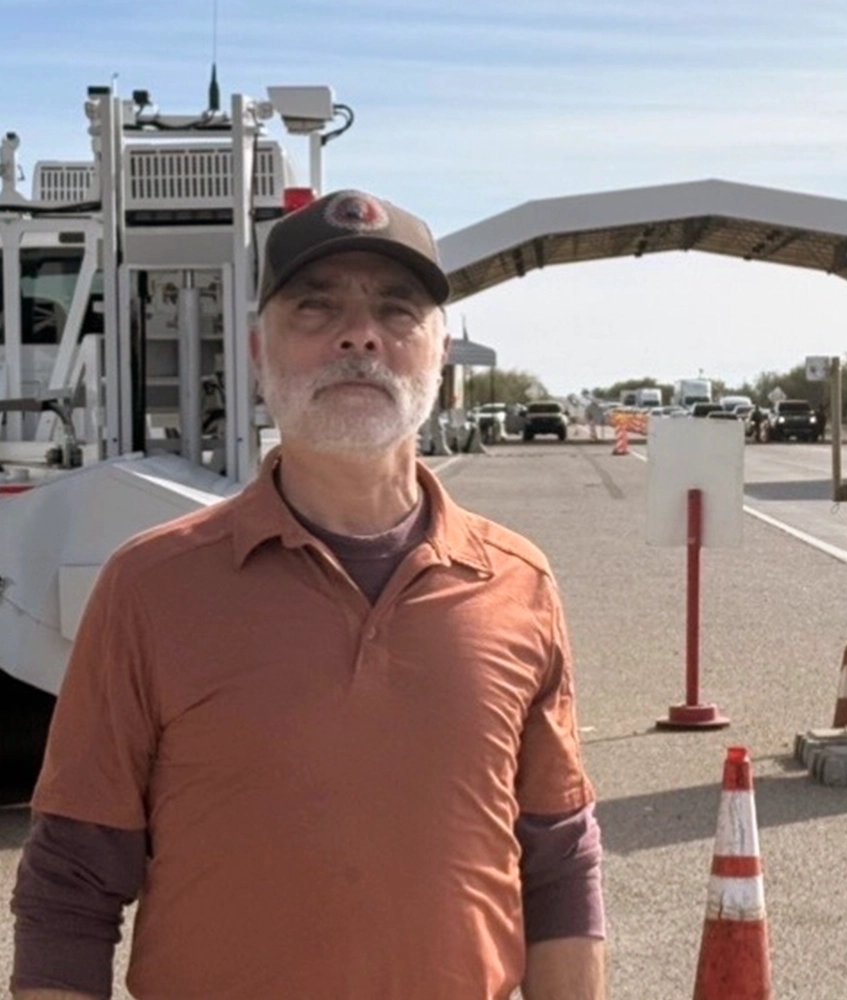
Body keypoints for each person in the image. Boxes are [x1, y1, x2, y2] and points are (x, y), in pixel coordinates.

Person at [10, 190, 606, 1000]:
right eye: (315, 310)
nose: (359, 336)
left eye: (398, 313)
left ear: (440, 355)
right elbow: (72, 883)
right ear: (258, 353)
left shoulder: (517, 584)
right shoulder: (150, 589)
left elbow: (558, 858)